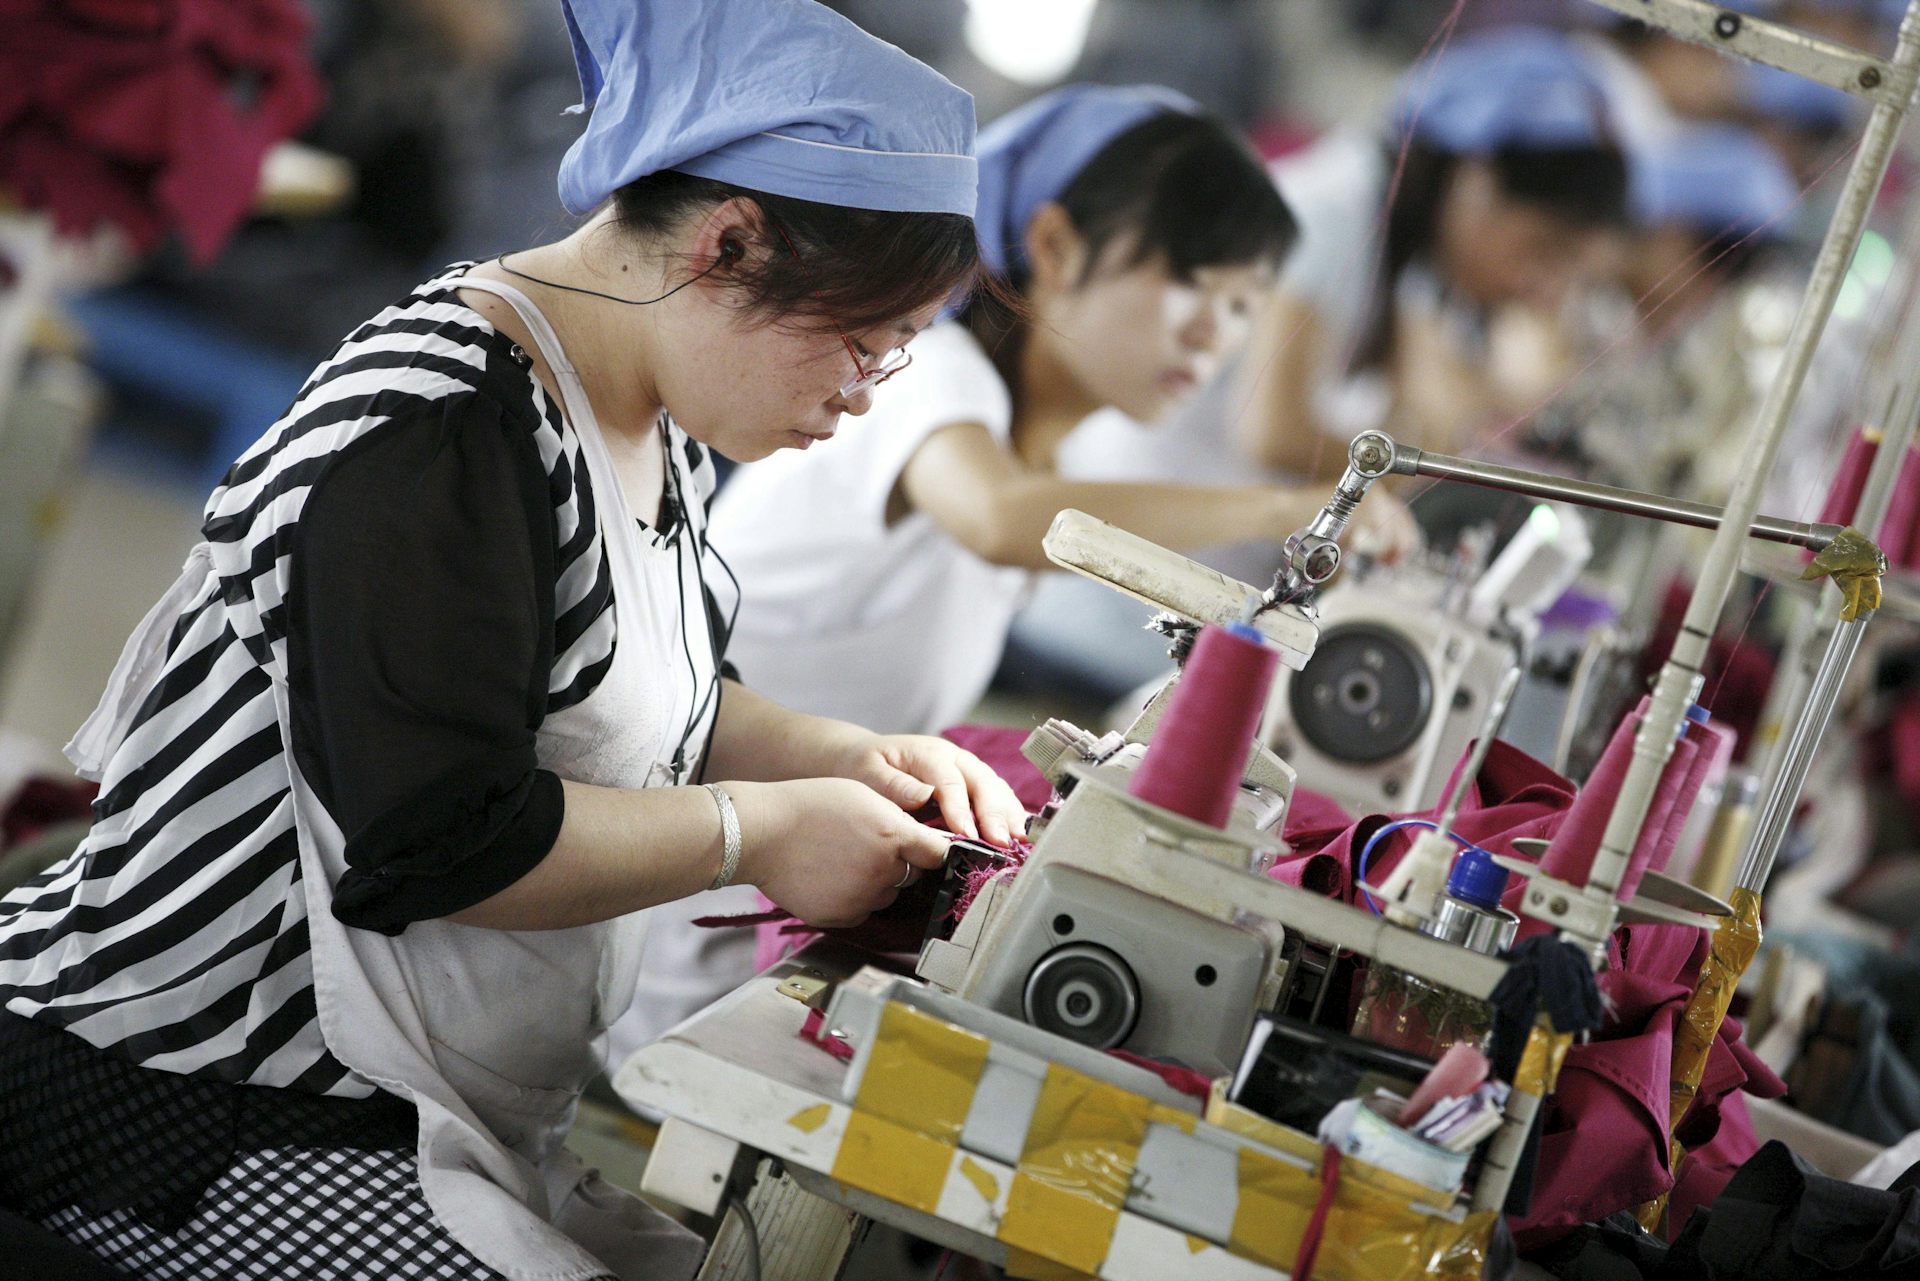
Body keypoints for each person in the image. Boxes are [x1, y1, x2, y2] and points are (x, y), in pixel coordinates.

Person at [0, 2, 1026, 1277]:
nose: (862, 397)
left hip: (416, 1108)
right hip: (187, 1101)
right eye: (863, 346)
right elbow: (444, 835)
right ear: (727, 242)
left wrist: (845, 755)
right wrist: (759, 836)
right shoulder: (439, 424)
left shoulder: (646, 422)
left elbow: (633, 690)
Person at [601, 84, 1418, 1064]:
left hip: (749, 894)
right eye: (1193, 284)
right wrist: (1291, 506)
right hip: (662, 911)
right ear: (1060, 248)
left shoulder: (1026, 451)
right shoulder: (926, 377)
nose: (1216, 334)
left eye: (1245, 305)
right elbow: (1001, 520)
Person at [1012, 29, 1632, 697]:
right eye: (1541, 251)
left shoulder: (1410, 264)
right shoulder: (1333, 213)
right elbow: (1273, 429)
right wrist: (1439, 484)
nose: (1540, 287)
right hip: (1111, 602)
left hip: (1194, 602)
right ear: (1472, 186)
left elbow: (1446, 409)